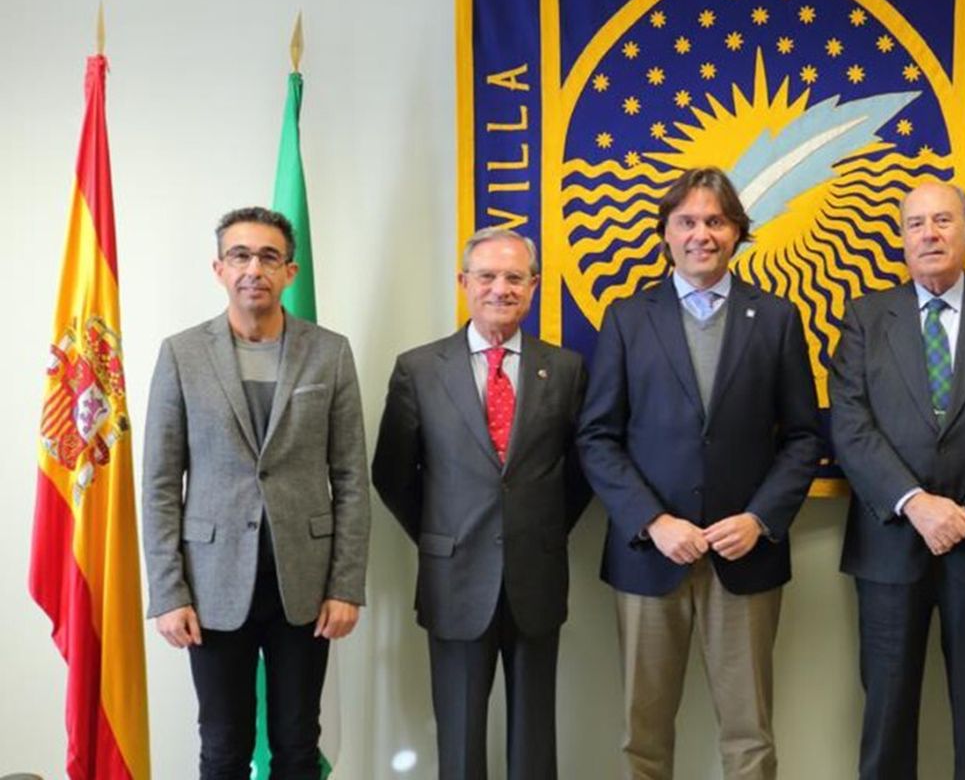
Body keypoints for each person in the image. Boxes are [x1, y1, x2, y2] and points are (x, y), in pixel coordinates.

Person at [576, 166, 823, 780]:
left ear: (738, 232)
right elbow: (598, 436)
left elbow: (801, 438)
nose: (700, 234)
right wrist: (653, 521)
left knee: (749, 737)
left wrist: (761, 519)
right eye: (686, 221)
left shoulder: (777, 318)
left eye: (715, 221)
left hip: (745, 559)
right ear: (666, 232)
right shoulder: (628, 318)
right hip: (648, 556)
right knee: (644, 736)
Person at [828, 181, 965, 780]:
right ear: (901, 239)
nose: (929, 234)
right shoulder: (866, 318)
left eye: (943, 221)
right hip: (890, 546)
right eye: (916, 224)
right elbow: (850, 425)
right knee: (887, 715)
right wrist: (917, 504)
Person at [142, 206, 369, 780]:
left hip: (305, 586)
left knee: (296, 745)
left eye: (269, 257)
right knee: (223, 746)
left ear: (290, 271)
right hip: (212, 585)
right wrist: (168, 593)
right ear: (219, 267)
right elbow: (162, 483)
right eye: (240, 255)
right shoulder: (181, 354)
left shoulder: (330, 352)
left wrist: (345, 586)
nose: (254, 269)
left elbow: (349, 477)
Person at [372, 228, 589, 780]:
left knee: (535, 743)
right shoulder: (419, 369)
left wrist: (539, 529)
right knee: (461, 742)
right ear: (464, 283)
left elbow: (582, 472)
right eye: (487, 276)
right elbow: (393, 473)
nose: (501, 288)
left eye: (515, 277)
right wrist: (442, 533)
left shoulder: (564, 369)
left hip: (536, 574)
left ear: (534, 286)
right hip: (454, 577)